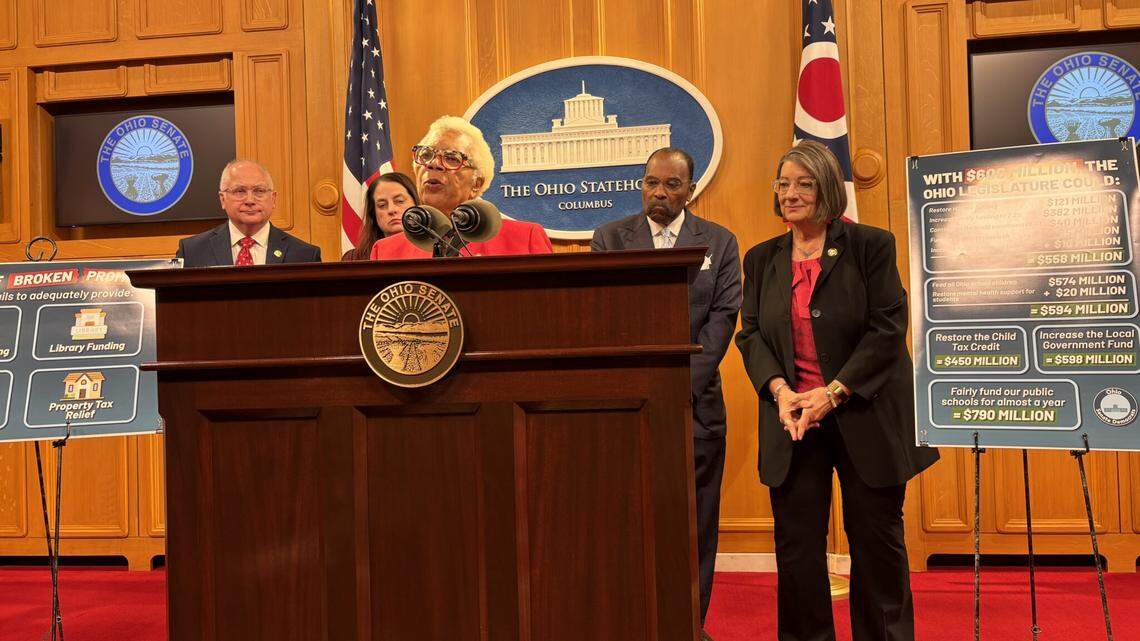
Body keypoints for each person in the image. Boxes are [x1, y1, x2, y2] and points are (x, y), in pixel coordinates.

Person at [734, 140, 939, 641]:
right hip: (794, 421)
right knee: (798, 548)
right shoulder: (762, 258)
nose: (790, 193)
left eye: (804, 183)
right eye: (783, 183)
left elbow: (888, 327)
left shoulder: (870, 245)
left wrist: (835, 391)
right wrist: (782, 392)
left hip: (863, 412)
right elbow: (752, 334)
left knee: (876, 543)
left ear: (826, 187)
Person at [591, 147, 741, 640]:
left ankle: (687, 626)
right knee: (629, 522)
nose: (659, 192)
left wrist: (676, 385)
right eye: (651, 182)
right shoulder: (610, 239)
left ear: (690, 190)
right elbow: (605, 318)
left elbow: (721, 321)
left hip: (697, 408)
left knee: (696, 526)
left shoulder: (719, 243)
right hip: (628, 408)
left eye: (671, 185)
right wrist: (644, 388)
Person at [370, 116, 552, 259]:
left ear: (476, 183)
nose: (433, 164)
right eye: (425, 155)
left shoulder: (524, 240)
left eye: (451, 158)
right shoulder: (387, 252)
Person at [176, 160, 321, 267]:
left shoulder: (305, 255)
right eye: (240, 191)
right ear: (223, 199)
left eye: (259, 191)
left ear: (273, 199)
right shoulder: (192, 252)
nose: (250, 200)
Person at [342, 172, 420, 261]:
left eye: (399, 201)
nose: (391, 210)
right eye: (382, 205)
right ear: (373, 214)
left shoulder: (433, 251)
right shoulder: (355, 259)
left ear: (416, 205)